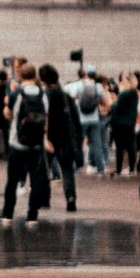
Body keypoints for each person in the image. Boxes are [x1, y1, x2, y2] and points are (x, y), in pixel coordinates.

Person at [0, 62, 52, 228]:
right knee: (35, 181)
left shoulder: (17, 93)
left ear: (20, 75)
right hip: (36, 145)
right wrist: (45, 138)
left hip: (17, 143)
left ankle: (8, 214)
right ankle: (32, 216)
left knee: (12, 180)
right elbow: (46, 119)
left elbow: (8, 114)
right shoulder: (43, 95)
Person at [40, 64, 81, 212]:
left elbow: (42, 117)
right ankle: (70, 198)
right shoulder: (65, 96)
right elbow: (75, 119)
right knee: (67, 169)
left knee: (44, 169)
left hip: (48, 138)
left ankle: (44, 199)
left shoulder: (44, 96)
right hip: (65, 137)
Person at [66, 66, 107, 175]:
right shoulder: (98, 86)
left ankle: (75, 168)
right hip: (94, 119)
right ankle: (101, 168)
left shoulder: (79, 85)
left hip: (81, 119)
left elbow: (72, 97)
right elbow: (103, 100)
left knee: (78, 144)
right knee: (97, 144)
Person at [111, 73, 140, 176]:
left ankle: (118, 169)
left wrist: (114, 102)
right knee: (131, 145)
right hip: (131, 123)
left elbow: (116, 107)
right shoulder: (135, 94)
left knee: (120, 147)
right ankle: (132, 169)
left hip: (120, 124)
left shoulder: (124, 94)